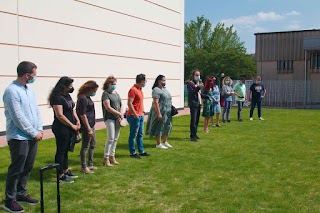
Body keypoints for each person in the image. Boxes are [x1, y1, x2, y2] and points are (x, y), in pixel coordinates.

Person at [3, 61, 43, 213]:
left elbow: (36, 111)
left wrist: (39, 129)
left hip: (33, 135)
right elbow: (17, 116)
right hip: (19, 137)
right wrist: (33, 132)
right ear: (27, 75)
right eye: (34, 74)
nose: (35, 77)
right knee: (16, 168)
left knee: (28, 167)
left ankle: (21, 193)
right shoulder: (11, 91)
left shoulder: (29, 90)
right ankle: (10, 200)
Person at [48, 76, 80, 183]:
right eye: (70, 85)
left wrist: (77, 120)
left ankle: (65, 170)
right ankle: (60, 174)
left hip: (70, 126)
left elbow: (72, 109)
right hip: (61, 127)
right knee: (61, 150)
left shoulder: (67, 96)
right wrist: (72, 125)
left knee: (66, 149)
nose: (71, 87)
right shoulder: (57, 98)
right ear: (64, 86)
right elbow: (60, 115)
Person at [76, 81, 99, 174]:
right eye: (94, 90)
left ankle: (90, 163)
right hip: (87, 126)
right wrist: (88, 128)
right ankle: (83, 166)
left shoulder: (87, 97)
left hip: (91, 124)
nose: (95, 92)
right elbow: (83, 115)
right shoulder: (82, 98)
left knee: (93, 144)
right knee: (85, 146)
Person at [146, 75, 173, 149]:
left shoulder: (165, 89)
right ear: (158, 81)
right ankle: (158, 143)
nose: (164, 82)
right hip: (161, 111)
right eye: (162, 80)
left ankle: (165, 141)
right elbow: (155, 102)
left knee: (168, 126)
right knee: (159, 126)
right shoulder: (156, 90)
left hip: (167, 112)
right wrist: (159, 113)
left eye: (165, 80)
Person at [101, 76, 124, 166]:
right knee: (110, 138)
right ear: (108, 84)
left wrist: (121, 114)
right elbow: (108, 107)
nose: (114, 86)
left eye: (115, 84)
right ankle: (106, 158)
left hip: (117, 118)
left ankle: (112, 156)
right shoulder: (105, 94)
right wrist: (119, 113)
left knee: (115, 138)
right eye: (112, 84)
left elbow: (121, 105)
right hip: (109, 118)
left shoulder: (116, 93)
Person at [127, 74, 150, 158]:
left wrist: (142, 111)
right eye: (145, 81)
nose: (145, 82)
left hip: (140, 115)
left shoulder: (140, 89)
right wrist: (135, 113)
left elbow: (139, 102)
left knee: (140, 134)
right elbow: (129, 103)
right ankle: (132, 152)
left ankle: (141, 151)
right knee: (133, 134)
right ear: (142, 81)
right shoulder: (133, 90)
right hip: (134, 116)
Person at [187, 69, 210, 142]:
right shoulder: (190, 84)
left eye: (199, 75)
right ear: (193, 76)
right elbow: (191, 93)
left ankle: (195, 134)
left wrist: (207, 96)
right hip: (193, 104)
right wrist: (198, 87)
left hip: (198, 103)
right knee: (193, 120)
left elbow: (199, 94)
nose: (198, 76)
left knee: (197, 120)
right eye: (196, 75)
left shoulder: (198, 83)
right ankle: (192, 135)